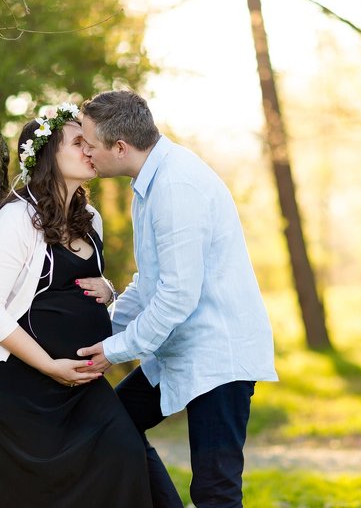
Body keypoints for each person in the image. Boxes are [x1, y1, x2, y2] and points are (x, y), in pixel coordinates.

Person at [75, 90, 279, 508]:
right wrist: (99, 331)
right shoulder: (149, 183)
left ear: (120, 147)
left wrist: (115, 350)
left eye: (90, 145)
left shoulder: (176, 186)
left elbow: (176, 296)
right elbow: (150, 282)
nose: (86, 153)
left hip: (218, 355)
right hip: (180, 349)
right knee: (114, 428)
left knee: (215, 490)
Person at [0, 103, 152, 508]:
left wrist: (108, 289)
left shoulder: (92, 218)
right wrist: (50, 366)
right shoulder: (17, 220)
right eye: (78, 142)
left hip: (81, 385)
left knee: (125, 456)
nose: (90, 149)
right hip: (20, 387)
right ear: (48, 155)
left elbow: (70, 289)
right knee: (34, 495)